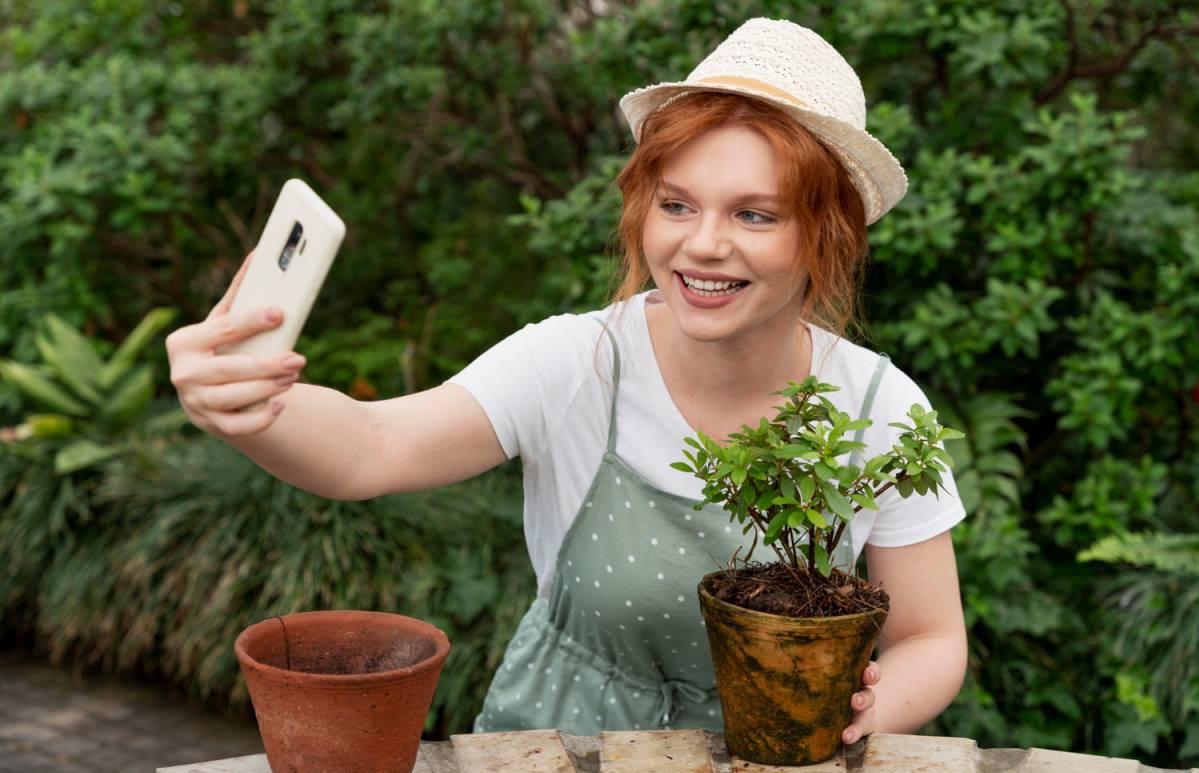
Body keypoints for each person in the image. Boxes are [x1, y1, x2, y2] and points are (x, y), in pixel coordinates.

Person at [166, 18, 967, 747]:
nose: (702, 244)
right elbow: (373, 445)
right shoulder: (576, 362)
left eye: (753, 215)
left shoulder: (880, 410)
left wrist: (854, 715)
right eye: (676, 204)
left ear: (825, 234)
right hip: (554, 752)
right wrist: (253, 407)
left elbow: (931, 639)